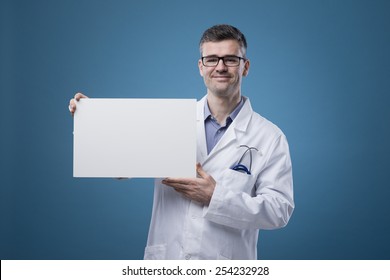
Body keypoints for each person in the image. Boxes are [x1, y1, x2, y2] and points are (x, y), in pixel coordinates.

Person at [69, 24, 294, 260]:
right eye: (211, 59)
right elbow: (122, 168)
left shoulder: (269, 136)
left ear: (245, 66)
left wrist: (215, 197)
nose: (220, 67)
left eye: (230, 59)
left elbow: (279, 210)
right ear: (200, 66)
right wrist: (94, 125)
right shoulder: (167, 120)